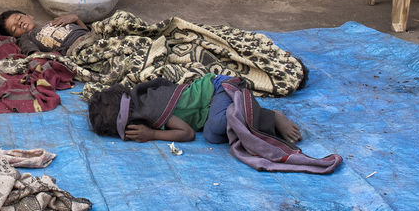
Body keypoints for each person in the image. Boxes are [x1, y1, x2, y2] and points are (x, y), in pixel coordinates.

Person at [87, 73, 302, 145]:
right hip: (212, 104)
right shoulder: (141, 104)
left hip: (219, 89)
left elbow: (187, 133)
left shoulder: (152, 110)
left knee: (213, 130)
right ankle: (241, 114)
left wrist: (152, 134)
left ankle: (271, 116)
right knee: (218, 133)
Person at [0, 9, 92, 57]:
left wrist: (75, 19)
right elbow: (36, 55)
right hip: (77, 49)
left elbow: (87, 32)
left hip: (91, 38)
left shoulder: (53, 21)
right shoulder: (26, 38)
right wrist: (59, 56)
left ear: (29, 16)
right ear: (15, 36)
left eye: (19, 18)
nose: (19, 23)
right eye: (14, 29)